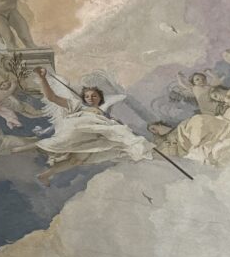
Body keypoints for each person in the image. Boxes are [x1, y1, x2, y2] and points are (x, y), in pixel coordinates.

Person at [16, 69, 152, 185]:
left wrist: (112, 122)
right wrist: (43, 79)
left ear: (100, 97)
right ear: (84, 98)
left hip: (90, 138)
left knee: (76, 161)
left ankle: (45, 175)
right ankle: (16, 150)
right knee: (53, 144)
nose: (90, 98)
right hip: (76, 131)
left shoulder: (104, 112)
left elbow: (110, 118)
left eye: (94, 96)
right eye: (87, 96)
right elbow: (52, 97)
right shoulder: (77, 105)